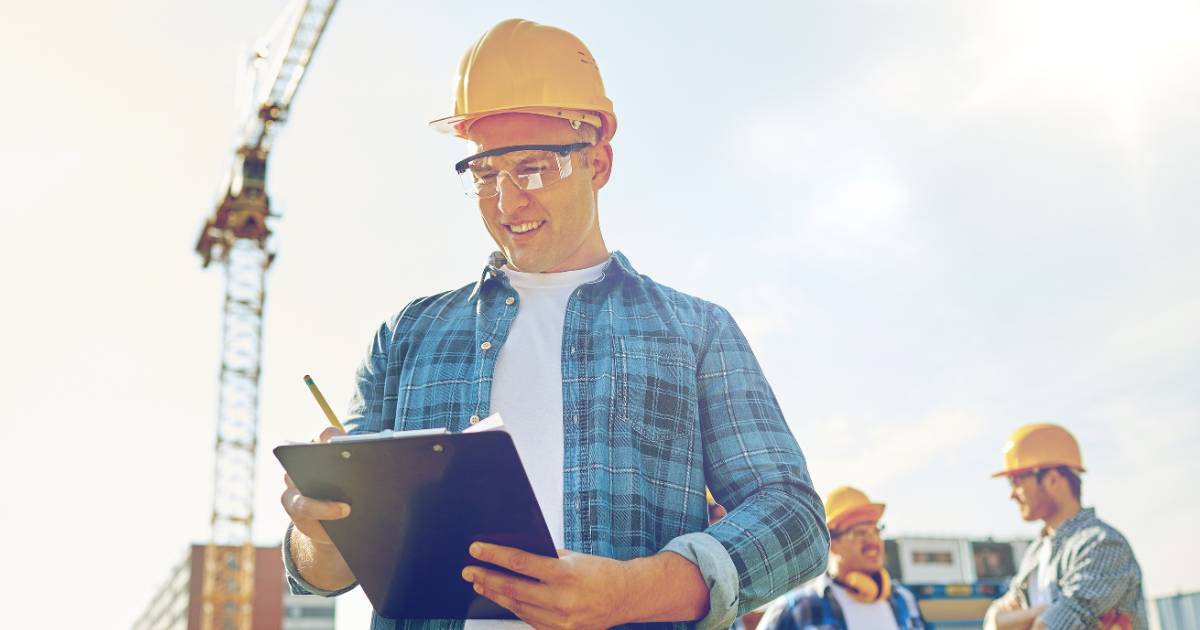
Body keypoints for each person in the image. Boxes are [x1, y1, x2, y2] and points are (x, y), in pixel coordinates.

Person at [279, 18, 829, 630]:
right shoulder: (407, 336)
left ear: (598, 162)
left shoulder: (696, 333)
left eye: (533, 169)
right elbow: (322, 572)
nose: (507, 203)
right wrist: (322, 540)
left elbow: (795, 519)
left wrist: (639, 590)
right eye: (485, 175)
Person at [983, 424, 1147, 630]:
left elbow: (1049, 628)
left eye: (1016, 480)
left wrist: (1026, 621)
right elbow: (992, 624)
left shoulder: (1102, 544)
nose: (1012, 493)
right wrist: (1039, 613)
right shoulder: (1035, 553)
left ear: (1052, 479)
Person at [755, 486, 925, 630]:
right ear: (830, 543)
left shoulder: (905, 599)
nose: (873, 541)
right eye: (859, 533)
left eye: (875, 530)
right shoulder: (793, 610)